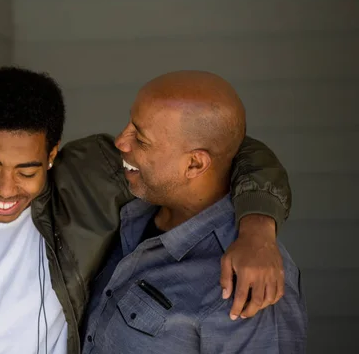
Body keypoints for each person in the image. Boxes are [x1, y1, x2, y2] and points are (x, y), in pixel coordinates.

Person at [0, 67, 291, 354]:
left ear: (52, 155)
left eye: (26, 169)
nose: (6, 187)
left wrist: (257, 226)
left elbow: (230, 148)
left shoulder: (91, 179)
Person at [78, 71, 307, 353]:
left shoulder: (250, 284)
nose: (121, 142)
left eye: (141, 138)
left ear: (195, 164)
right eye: (129, 125)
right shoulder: (128, 208)